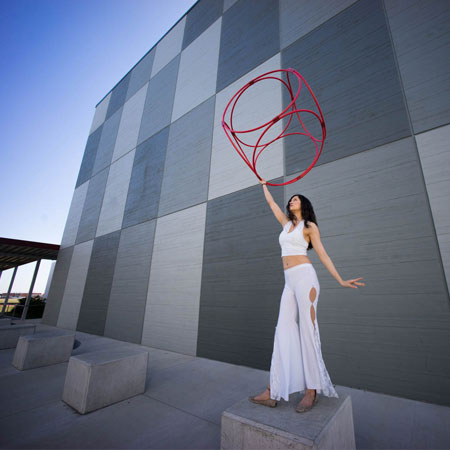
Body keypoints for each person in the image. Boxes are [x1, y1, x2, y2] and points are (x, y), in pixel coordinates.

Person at [249, 178, 365, 413]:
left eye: (296, 199)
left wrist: (341, 279)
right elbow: (272, 204)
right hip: (288, 282)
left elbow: (323, 255)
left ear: (304, 205)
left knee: (307, 332)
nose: (291, 201)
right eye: (290, 199)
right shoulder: (286, 224)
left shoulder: (309, 227)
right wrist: (264, 185)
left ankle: (311, 390)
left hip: (305, 279)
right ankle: (274, 390)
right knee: (282, 330)